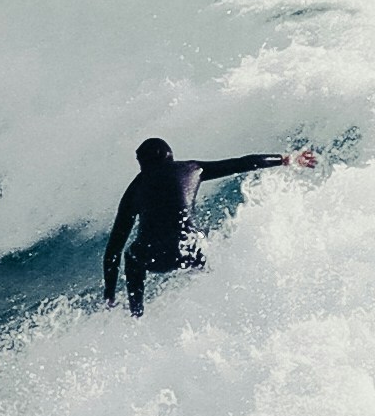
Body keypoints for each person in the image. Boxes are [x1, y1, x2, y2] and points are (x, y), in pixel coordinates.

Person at [101, 134, 312, 316]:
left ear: (146, 161)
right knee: (201, 236)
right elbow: (239, 163)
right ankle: (220, 290)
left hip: (156, 257)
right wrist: (285, 159)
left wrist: (109, 293)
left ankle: (136, 313)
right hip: (190, 250)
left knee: (131, 256)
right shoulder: (192, 169)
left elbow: (113, 249)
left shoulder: (133, 190)